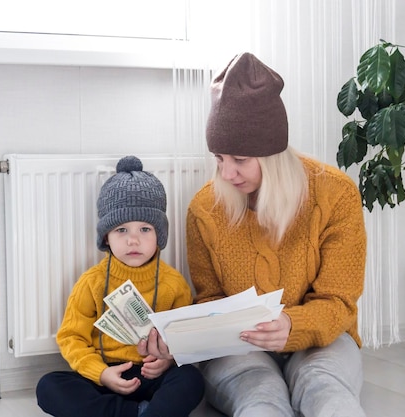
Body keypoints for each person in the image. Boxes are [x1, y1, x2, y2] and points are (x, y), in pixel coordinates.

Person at [139, 52, 367, 417]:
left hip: (322, 337)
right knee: (259, 397)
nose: (227, 173)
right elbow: (210, 299)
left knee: (324, 389)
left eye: (240, 159)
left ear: (273, 153)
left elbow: (339, 301)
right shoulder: (205, 208)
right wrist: (179, 341)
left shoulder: (336, 194)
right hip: (237, 345)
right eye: (219, 158)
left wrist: (292, 324)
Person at [36, 155, 205, 417]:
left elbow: (182, 339)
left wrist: (166, 360)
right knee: (49, 386)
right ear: (106, 236)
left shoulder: (174, 284)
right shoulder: (92, 282)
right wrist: (101, 373)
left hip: (152, 376)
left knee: (191, 380)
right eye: (122, 230)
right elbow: (72, 337)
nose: (133, 240)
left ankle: (137, 411)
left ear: (159, 235)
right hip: (106, 375)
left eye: (145, 229)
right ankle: (135, 413)